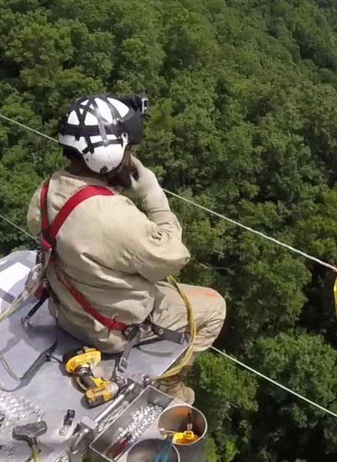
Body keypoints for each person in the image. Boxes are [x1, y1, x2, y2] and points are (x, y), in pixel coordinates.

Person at [26, 94, 226, 404]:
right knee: (214, 308)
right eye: (127, 149)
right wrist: (152, 194)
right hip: (108, 330)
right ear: (108, 155)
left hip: (66, 310)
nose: (129, 156)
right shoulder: (115, 218)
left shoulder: (47, 190)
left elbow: (84, 231)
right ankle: (168, 384)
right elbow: (173, 256)